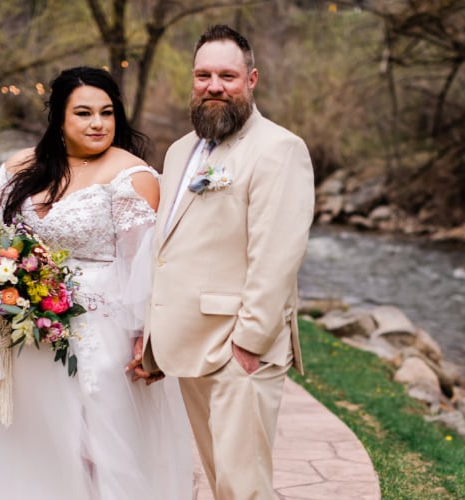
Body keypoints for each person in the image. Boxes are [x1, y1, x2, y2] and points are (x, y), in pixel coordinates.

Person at [0, 66, 192, 499]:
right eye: (84, 113)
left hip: (101, 334)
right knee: (33, 444)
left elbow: (147, 264)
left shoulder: (132, 175)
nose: (98, 123)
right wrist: (3, 280)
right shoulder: (21, 167)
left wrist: (149, 338)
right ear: (59, 119)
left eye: (107, 113)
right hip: (27, 335)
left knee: (95, 450)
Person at [134, 24, 315, 499]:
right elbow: (168, 248)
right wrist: (155, 340)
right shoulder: (178, 152)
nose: (214, 86)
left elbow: (277, 254)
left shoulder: (279, 149)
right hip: (191, 345)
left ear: (251, 80)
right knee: (221, 483)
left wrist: (250, 344)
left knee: (244, 487)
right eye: (203, 75)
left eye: (227, 76)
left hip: (240, 348)